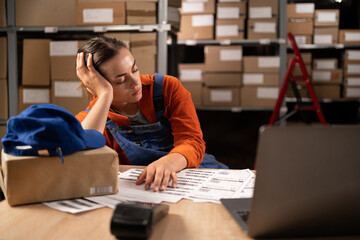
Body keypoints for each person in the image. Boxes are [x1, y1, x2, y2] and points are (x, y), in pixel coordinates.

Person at [75, 36, 227, 192]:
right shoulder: (93, 119)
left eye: (135, 69)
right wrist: (105, 95)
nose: (135, 82)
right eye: (121, 80)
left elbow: (193, 141)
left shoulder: (167, 88)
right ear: (94, 85)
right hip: (148, 189)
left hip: (192, 173)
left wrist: (169, 162)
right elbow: (82, 156)